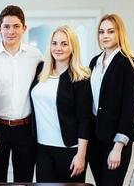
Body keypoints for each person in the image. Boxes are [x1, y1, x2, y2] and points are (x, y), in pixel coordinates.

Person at [0, 5, 42, 182]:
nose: (11, 31)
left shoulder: (36, 56)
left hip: (26, 128)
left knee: (24, 180)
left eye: (16, 26)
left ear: (24, 28)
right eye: (6, 26)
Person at [30, 25, 93, 183]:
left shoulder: (80, 78)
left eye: (64, 44)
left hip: (69, 150)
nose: (58, 48)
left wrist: (81, 155)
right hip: (42, 148)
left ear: (73, 47)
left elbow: (85, 119)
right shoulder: (40, 70)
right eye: (54, 43)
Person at [87, 14, 134, 186]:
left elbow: (129, 107)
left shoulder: (128, 63)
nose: (105, 36)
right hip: (95, 138)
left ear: (119, 33)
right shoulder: (94, 62)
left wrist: (118, 147)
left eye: (110, 31)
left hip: (115, 139)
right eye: (101, 32)